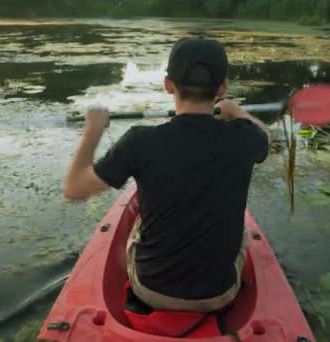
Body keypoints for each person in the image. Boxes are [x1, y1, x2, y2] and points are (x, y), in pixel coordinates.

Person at [63, 38, 270, 318]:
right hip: (219, 294)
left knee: (139, 216)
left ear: (169, 85)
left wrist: (92, 131)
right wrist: (236, 112)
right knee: (242, 233)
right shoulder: (245, 137)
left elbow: (74, 188)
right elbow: (264, 137)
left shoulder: (139, 141)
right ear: (222, 87)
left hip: (151, 289)